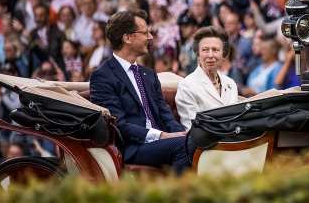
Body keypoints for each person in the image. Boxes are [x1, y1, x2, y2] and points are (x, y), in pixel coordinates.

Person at [89, 10, 191, 173]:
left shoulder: (149, 74)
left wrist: (182, 133)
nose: (150, 37)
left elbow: (166, 115)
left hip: (162, 143)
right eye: (145, 32)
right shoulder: (103, 76)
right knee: (184, 146)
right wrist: (162, 136)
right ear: (127, 38)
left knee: (197, 141)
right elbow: (118, 125)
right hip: (134, 147)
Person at [175, 26, 239, 130]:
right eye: (205, 50)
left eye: (215, 50)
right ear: (198, 54)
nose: (210, 55)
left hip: (235, 140)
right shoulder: (187, 86)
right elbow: (192, 128)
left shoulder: (230, 83)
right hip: (206, 144)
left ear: (223, 54)